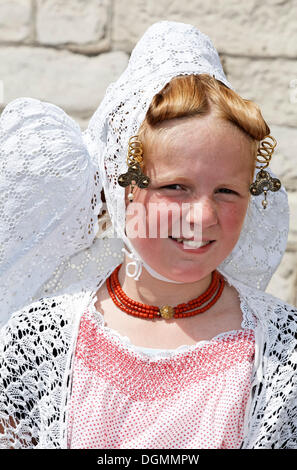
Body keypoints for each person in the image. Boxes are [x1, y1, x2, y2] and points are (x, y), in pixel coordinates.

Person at [0, 21, 296, 449]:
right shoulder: (40, 342)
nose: (203, 216)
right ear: (123, 188)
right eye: (176, 187)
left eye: (227, 191)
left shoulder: (281, 354)